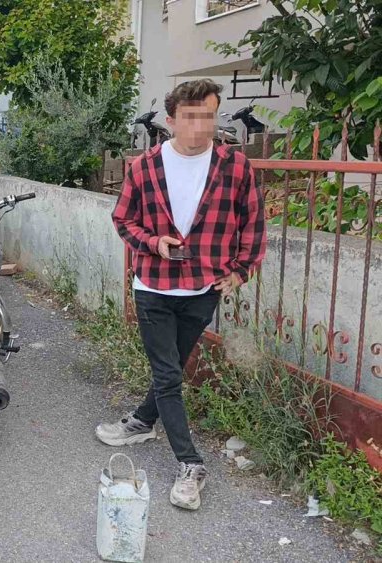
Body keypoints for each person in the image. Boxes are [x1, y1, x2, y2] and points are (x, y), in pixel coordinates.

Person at [98, 79, 267, 511]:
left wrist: (241, 271)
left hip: (203, 288)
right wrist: (153, 243)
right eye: (191, 117)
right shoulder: (145, 166)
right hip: (153, 285)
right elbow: (123, 220)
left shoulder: (235, 167)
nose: (201, 126)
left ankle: (142, 421)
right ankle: (191, 465)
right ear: (171, 120)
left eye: (208, 115)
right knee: (170, 375)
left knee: (170, 369)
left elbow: (253, 223)